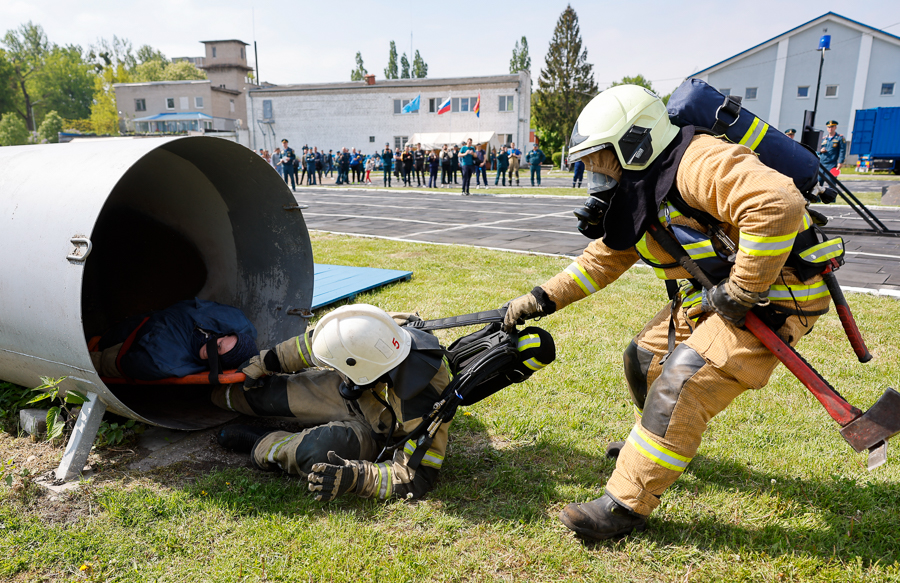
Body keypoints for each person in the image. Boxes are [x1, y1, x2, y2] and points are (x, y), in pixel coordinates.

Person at [502, 84, 835, 541]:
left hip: (776, 298)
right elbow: (604, 259)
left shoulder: (699, 162)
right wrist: (540, 298)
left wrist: (742, 289)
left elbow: (776, 204)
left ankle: (624, 505)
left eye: (599, 160)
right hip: (718, 294)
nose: (594, 174)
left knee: (681, 383)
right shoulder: (647, 182)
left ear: (634, 143)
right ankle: (660, 440)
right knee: (642, 359)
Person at [214, 304, 555, 501]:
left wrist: (356, 478)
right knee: (250, 395)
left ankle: (261, 445)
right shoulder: (372, 330)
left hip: (375, 430)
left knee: (316, 452)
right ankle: (219, 399)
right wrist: (266, 362)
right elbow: (315, 343)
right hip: (353, 390)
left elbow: (415, 477)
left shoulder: (423, 401)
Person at [90, 299, 257, 381]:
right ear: (225, 335)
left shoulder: (169, 363)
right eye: (219, 345)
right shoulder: (235, 323)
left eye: (219, 356)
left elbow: (124, 364)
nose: (212, 350)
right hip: (155, 315)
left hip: (136, 342)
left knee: (101, 356)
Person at [818, 120, 846, 184]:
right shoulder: (824, 139)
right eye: (829, 127)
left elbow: (842, 151)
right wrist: (820, 151)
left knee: (831, 183)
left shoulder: (840, 138)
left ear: (835, 127)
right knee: (818, 184)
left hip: (832, 164)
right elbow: (817, 150)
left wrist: (840, 162)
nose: (830, 128)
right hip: (822, 164)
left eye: (832, 127)